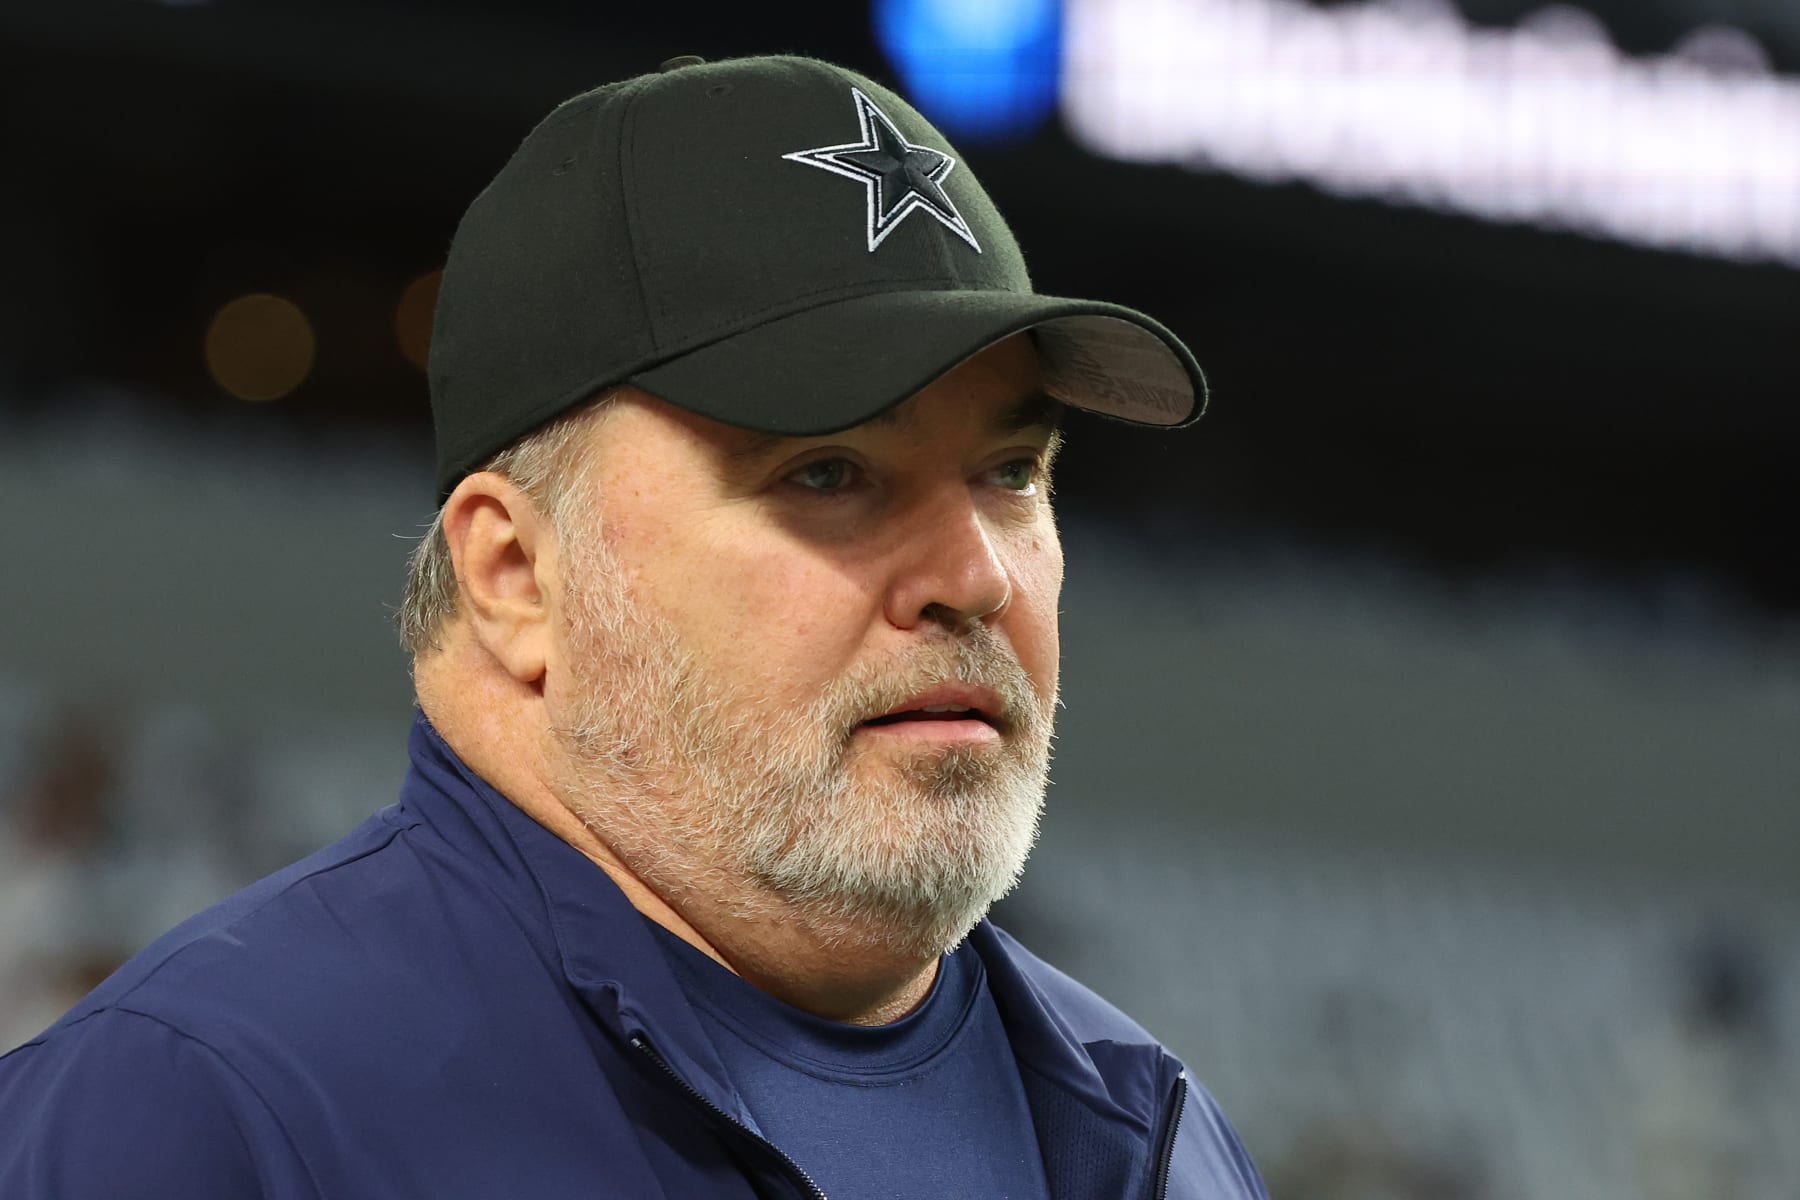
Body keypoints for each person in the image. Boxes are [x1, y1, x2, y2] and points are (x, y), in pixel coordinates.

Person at [0, 54, 1267, 1199]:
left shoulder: (1155, 1135)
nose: (978, 576)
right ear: (513, 573)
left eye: (1012, 473)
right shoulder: (206, 1114)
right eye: (827, 473)